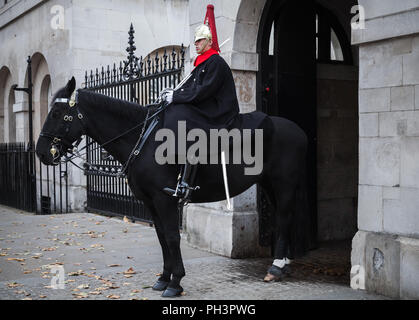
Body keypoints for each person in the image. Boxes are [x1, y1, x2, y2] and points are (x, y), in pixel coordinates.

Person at [160, 23, 241, 202]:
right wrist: (173, 94)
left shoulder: (216, 62)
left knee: (185, 120)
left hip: (219, 112)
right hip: (207, 107)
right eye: (195, 41)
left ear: (209, 42)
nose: (196, 44)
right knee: (175, 111)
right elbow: (191, 88)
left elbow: (204, 90)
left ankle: (185, 184)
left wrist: (177, 96)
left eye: (199, 40)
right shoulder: (202, 63)